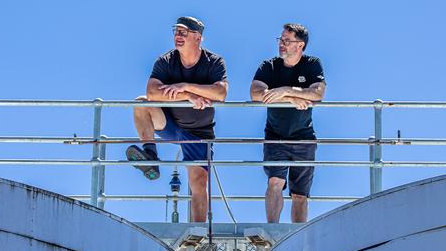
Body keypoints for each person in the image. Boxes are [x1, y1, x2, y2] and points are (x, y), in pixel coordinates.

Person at [127, 16, 228, 222]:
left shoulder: (214, 62)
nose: (178, 36)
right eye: (176, 31)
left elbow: (220, 93)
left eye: (184, 32)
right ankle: (150, 156)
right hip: (171, 125)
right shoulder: (166, 61)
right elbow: (152, 91)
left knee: (199, 181)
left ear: (198, 37)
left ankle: (198, 233)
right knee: (141, 102)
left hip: (199, 132)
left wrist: (185, 86)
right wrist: (189, 96)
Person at [250, 23, 326, 223]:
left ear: (300, 45)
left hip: (304, 136)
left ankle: (297, 237)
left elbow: (317, 93)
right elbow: (256, 93)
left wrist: (285, 90)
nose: (281, 44)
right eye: (280, 40)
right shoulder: (269, 66)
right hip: (275, 135)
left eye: (287, 40)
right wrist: (291, 98)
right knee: (275, 181)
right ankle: (272, 230)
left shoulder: (311, 64)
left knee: (300, 194)